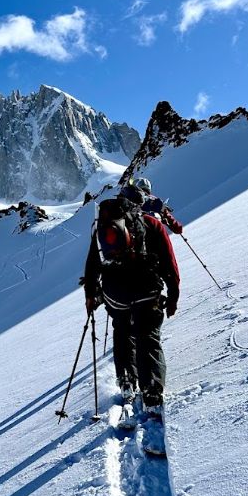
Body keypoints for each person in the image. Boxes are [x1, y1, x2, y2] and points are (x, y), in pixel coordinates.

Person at [84, 184, 180, 431]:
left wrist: (90, 296)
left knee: (123, 330)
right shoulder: (151, 224)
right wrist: (173, 294)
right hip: (147, 291)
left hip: (115, 293)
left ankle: (126, 380)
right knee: (148, 335)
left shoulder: (102, 227)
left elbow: (92, 264)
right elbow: (170, 263)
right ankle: (152, 391)